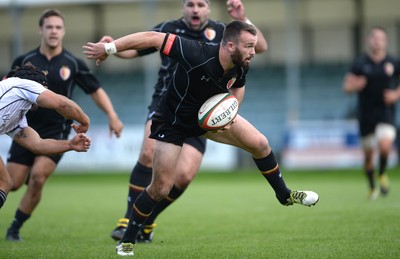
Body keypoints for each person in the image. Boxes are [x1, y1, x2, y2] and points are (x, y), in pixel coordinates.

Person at [84, 20, 319, 256]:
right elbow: (153, 38)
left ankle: (284, 195)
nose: (252, 52)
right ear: (229, 46)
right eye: (248, 46)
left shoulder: (241, 63)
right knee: (160, 187)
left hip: (204, 120)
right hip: (172, 122)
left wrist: (229, 113)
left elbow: (238, 88)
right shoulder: (196, 52)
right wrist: (110, 48)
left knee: (260, 143)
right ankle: (128, 240)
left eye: (253, 46)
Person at [103, 0, 268, 243]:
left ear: (208, 8)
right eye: (190, 4)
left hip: (204, 109)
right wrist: (113, 48)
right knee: (148, 154)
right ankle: (128, 221)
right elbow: (136, 49)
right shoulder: (169, 28)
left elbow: (261, 47)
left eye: (201, 4)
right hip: (168, 102)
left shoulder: (224, 31)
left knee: (183, 177)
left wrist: (244, 17)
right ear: (183, 7)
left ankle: (146, 223)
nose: (195, 9)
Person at [5, 9, 124, 242]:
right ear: (41, 30)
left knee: (38, 177)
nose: (53, 31)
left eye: (58, 27)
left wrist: (112, 115)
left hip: (56, 130)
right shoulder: (24, 61)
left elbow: (95, 90)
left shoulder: (72, 63)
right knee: (13, 183)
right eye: (49, 27)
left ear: (63, 31)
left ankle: (14, 228)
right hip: (23, 127)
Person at [0, 63, 91, 211]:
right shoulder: (26, 84)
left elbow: (37, 144)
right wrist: (85, 121)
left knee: (5, 182)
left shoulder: (16, 116)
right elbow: (62, 104)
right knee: (3, 182)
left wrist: (70, 145)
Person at [343, 26, 400, 201]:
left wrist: (395, 94)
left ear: (385, 41)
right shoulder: (360, 63)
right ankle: (372, 186)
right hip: (366, 114)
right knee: (368, 156)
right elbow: (346, 86)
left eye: (380, 38)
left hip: (386, 113)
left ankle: (382, 172)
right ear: (369, 41)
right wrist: (354, 85)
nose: (377, 41)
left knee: (384, 146)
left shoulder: (393, 62)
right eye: (374, 38)